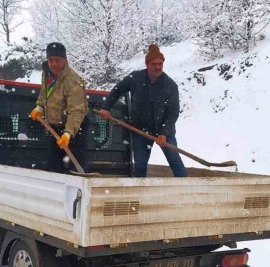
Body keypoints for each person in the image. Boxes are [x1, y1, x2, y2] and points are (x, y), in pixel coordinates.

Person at [97, 44, 187, 177]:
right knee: (140, 164)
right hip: (140, 130)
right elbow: (117, 90)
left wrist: (164, 133)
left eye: (160, 64)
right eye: (154, 64)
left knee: (174, 160)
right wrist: (106, 108)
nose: (158, 67)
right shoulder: (136, 78)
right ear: (147, 64)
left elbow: (173, 112)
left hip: (164, 130)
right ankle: (140, 190)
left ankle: (186, 189)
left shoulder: (170, 85)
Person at [30, 42, 89, 173]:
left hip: (75, 127)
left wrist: (68, 133)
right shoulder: (47, 73)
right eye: (50, 60)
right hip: (55, 125)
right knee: (53, 165)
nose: (53, 64)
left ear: (65, 60)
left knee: (75, 165)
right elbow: (45, 92)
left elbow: (77, 112)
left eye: (57, 60)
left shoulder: (73, 82)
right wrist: (39, 106)